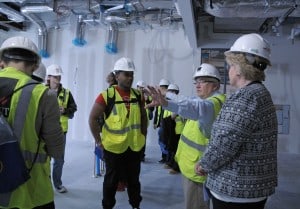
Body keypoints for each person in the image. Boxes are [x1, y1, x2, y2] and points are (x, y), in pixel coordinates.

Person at [195, 33, 278, 209]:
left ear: (239, 69)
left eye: (230, 66)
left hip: (236, 190)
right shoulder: (259, 93)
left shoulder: (245, 98)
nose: (229, 70)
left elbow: (225, 143)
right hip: (251, 188)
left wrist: (204, 164)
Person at [145, 63, 226, 209]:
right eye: (196, 81)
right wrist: (165, 103)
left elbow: (196, 108)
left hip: (197, 170)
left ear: (216, 85)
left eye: (203, 80)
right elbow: (187, 106)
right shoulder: (203, 101)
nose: (198, 85)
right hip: (190, 165)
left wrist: (167, 94)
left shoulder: (214, 104)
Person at [0, 36, 65, 208]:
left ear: (1, 62)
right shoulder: (43, 94)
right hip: (29, 188)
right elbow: (56, 149)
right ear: (35, 66)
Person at [88, 57, 148, 209]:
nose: (130, 77)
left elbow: (143, 117)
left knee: (134, 180)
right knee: (111, 181)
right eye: (126, 74)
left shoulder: (138, 95)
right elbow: (93, 118)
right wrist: (99, 141)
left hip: (133, 147)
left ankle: (135, 205)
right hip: (113, 148)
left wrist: (143, 137)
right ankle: (108, 206)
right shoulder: (107, 95)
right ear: (116, 76)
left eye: (131, 74)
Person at [46, 64, 77, 193]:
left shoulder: (66, 93)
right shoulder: (41, 91)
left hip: (60, 131)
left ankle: (57, 184)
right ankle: (45, 184)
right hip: (45, 131)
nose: (57, 78)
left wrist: (65, 111)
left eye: (59, 76)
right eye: (55, 76)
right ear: (49, 77)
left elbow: (73, 108)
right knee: (44, 159)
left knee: (59, 160)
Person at [162, 84, 184, 174]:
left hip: (178, 129)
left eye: (171, 91)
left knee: (176, 150)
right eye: (168, 91)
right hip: (170, 129)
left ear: (175, 93)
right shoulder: (169, 103)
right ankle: (170, 163)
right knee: (171, 147)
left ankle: (176, 167)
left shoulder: (177, 103)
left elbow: (173, 116)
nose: (169, 93)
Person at [152, 78, 170, 163]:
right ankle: (164, 157)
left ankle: (167, 157)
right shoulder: (159, 99)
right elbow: (157, 112)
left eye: (163, 87)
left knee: (164, 141)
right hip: (161, 124)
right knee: (161, 140)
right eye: (161, 87)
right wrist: (155, 122)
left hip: (167, 124)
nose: (161, 89)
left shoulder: (169, 99)